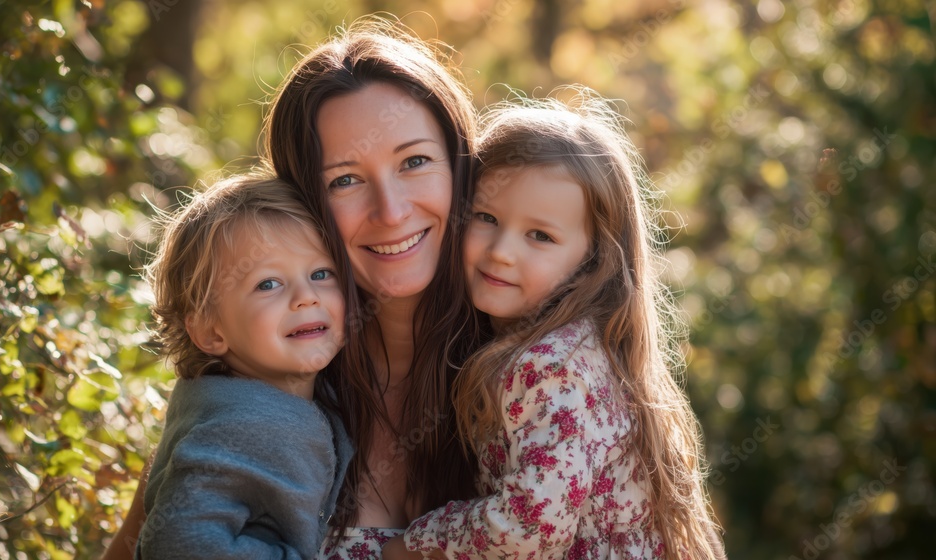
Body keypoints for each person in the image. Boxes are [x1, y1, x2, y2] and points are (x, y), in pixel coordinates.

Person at [103, 19, 485, 559]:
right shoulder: (265, 376)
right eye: (345, 179)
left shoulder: (533, 372)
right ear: (303, 204)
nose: (392, 211)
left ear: (460, 166)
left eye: (415, 161)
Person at [382, 91, 726, 559]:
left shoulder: (549, 366)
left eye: (539, 235)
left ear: (593, 260)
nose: (502, 250)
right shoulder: (576, 346)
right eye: (486, 218)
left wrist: (412, 544)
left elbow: (530, 527)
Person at [135, 171, 353, 559]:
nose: (306, 297)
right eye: (268, 284)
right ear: (210, 330)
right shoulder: (242, 426)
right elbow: (176, 544)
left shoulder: (238, 400)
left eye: (321, 273)